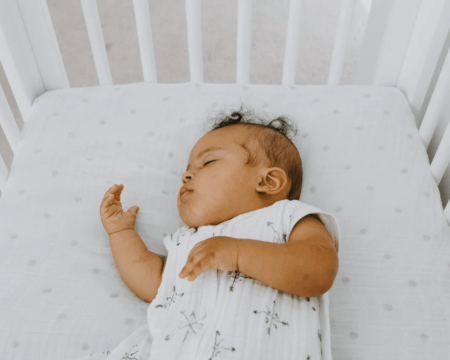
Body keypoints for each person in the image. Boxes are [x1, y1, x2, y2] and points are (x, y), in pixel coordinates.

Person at [83, 106, 340, 360]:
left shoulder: (288, 217)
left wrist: (238, 253)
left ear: (268, 182)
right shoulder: (189, 239)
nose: (186, 175)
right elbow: (154, 282)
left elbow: (318, 269)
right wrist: (121, 232)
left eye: (208, 162)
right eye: (187, 169)